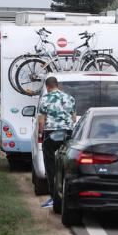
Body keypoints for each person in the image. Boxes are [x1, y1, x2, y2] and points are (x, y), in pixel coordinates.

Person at [37, 76, 76, 208]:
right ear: (57, 85)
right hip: (67, 134)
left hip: (51, 133)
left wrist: (41, 134)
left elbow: (41, 121)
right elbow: (74, 118)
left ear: (47, 87)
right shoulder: (70, 98)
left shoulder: (45, 99)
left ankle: (54, 198)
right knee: (66, 164)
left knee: (50, 166)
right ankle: (68, 195)